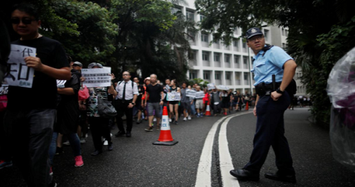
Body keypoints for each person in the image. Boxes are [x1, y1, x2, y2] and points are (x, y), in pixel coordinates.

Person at [3, 3, 71, 186]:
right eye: (15, 21)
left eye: (26, 21)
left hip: (42, 108)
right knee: (19, 155)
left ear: (38, 22)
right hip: (14, 107)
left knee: (38, 155)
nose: (21, 24)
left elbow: (66, 73)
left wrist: (42, 67)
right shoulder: (9, 47)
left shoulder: (52, 45)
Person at [230, 27, 297, 183]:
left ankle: (252, 170)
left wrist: (280, 90)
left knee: (263, 134)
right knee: (276, 136)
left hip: (274, 97)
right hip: (267, 97)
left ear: (264, 38)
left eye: (259, 37)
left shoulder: (272, 51)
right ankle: (286, 172)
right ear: (248, 44)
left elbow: (291, 65)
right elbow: (261, 84)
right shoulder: (258, 58)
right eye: (253, 39)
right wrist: (257, 104)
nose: (257, 40)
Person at [50, 59, 83, 168]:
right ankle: (48, 165)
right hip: (53, 107)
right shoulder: (50, 73)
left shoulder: (74, 75)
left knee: (71, 134)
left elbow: (72, 90)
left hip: (68, 108)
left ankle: (78, 156)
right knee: (52, 135)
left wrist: (53, 90)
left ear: (70, 64)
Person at [85, 62, 114, 156]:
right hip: (92, 109)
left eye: (98, 69)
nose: (95, 70)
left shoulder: (105, 82)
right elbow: (82, 94)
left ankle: (109, 142)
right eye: (93, 69)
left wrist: (110, 82)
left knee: (105, 127)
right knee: (94, 130)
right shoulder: (87, 82)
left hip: (103, 109)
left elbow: (113, 93)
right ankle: (98, 148)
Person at [111, 71, 138, 137]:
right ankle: (121, 130)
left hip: (128, 101)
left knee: (129, 117)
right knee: (118, 116)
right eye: (123, 75)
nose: (125, 76)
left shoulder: (133, 84)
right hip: (120, 101)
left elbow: (135, 94)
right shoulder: (119, 83)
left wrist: (132, 102)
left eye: (126, 75)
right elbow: (115, 92)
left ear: (129, 76)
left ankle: (128, 131)